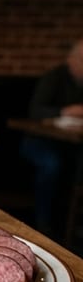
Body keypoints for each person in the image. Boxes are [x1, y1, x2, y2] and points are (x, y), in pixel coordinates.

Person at [21, 38, 83, 235]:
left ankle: (74, 226)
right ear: (71, 59)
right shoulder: (54, 77)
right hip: (38, 141)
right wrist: (65, 111)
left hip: (73, 145)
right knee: (52, 164)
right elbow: (35, 111)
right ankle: (43, 223)